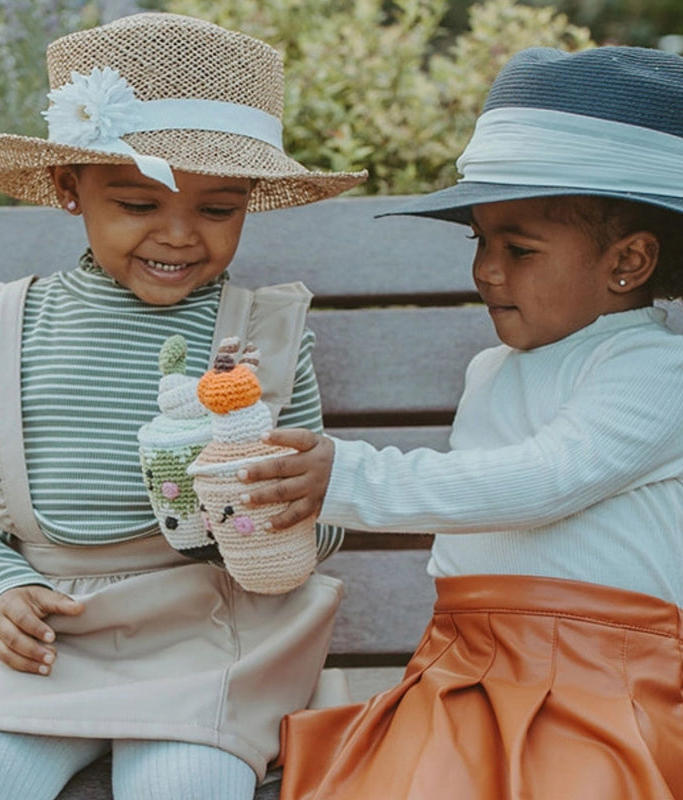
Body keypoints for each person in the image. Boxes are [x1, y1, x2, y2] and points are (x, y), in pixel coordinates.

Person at [0, 12, 366, 800]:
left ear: (250, 202)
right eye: (137, 203)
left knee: (189, 785)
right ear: (69, 187)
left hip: (208, 634)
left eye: (218, 210)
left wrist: (260, 512)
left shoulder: (262, 335)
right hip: (45, 634)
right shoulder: (4, 326)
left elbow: (316, 512)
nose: (180, 235)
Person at [240, 45, 683, 799]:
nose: (486, 269)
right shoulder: (492, 371)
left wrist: (349, 477)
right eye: (480, 240)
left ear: (630, 262)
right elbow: (470, 530)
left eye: (519, 249)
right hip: (463, 661)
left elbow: (543, 481)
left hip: (605, 676)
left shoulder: (656, 371)